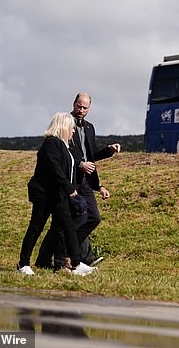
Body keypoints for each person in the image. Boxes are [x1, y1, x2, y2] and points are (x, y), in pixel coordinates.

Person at [35, 93, 120, 270]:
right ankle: (56, 259)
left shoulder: (89, 127)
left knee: (93, 218)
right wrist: (80, 164)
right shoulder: (66, 124)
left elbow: (92, 154)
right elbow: (63, 151)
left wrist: (109, 151)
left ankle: (68, 254)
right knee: (63, 223)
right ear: (74, 104)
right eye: (79, 106)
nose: (81, 110)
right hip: (70, 179)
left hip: (85, 182)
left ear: (89, 108)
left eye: (85, 107)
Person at [17, 112, 95, 276]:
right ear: (63, 127)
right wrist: (70, 188)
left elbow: (68, 170)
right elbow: (55, 169)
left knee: (68, 226)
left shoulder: (65, 146)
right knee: (36, 226)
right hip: (45, 194)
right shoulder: (51, 143)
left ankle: (76, 264)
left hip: (58, 195)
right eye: (71, 128)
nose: (73, 131)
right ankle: (23, 264)